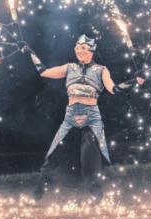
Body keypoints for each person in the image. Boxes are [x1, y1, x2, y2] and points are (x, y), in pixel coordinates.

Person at [26, 34, 144, 200]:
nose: (78, 50)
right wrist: (30, 51)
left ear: (91, 51)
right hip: (70, 118)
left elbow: (114, 89)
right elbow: (44, 72)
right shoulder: (69, 68)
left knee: (89, 158)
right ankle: (37, 193)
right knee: (53, 156)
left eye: (82, 48)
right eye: (77, 47)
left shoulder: (101, 70)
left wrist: (134, 80)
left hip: (91, 119)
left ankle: (96, 196)